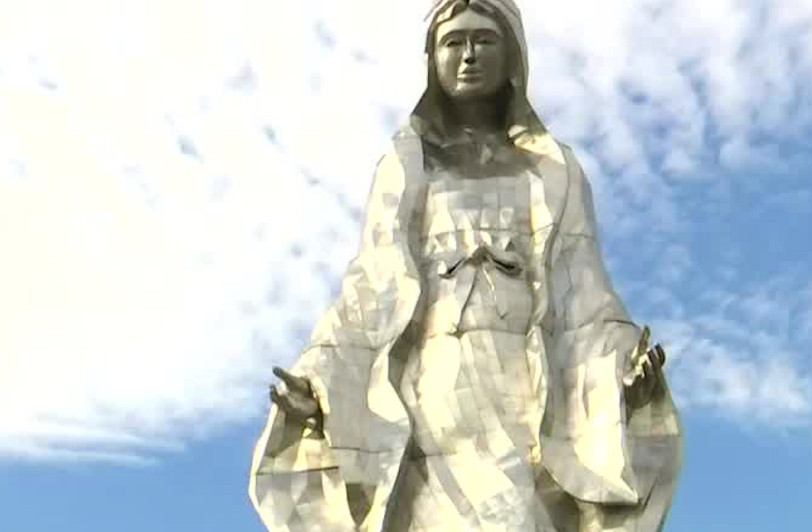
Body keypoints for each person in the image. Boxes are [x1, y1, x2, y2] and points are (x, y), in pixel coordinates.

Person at [249, 1, 682, 531]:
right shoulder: (406, 167)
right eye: (453, 42)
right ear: (431, 58)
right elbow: (372, 286)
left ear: (512, 55)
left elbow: (581, 293)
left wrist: (621, 371)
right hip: (428, 396)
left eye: (484, 40)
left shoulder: (552, 169)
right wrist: (319, 374)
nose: (468, 55)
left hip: (520, 390)